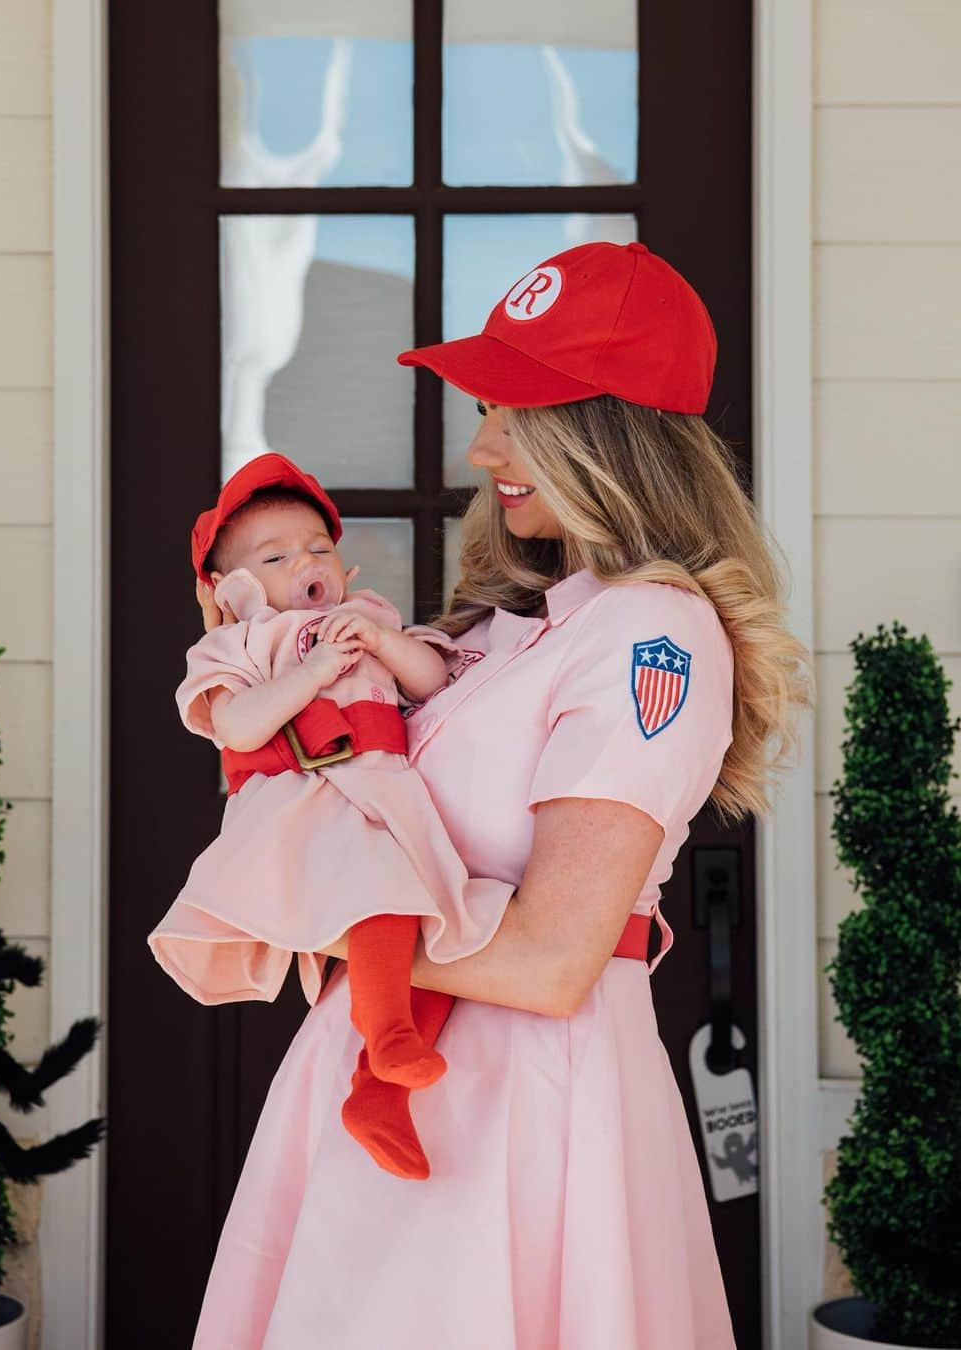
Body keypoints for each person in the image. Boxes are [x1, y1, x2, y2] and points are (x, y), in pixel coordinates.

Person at [188, 239, 814, 1349]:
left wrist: (311, 910)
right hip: (384, 1101)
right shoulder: (509, 628)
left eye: (516, 411)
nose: (483, 446)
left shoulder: (649, 633)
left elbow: (550, 958)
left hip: (510, 1119)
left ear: (606, 433)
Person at [147, 452, 518, 1179]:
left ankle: (377, 1091)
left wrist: (385, 643)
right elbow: (241, 727)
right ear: (232, 589)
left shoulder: (368, 617)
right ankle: (385, 1034)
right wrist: (312, 674)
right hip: (311, 806)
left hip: (388, 800)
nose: (306, 561)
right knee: (383, 892)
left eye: (319, 547)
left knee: (459, 928)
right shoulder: (236, 645)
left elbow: (433, 680)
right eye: (277, 556)